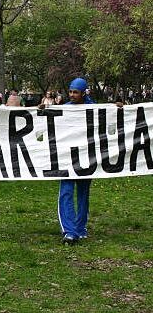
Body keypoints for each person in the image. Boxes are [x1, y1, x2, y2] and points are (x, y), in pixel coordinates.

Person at [57, 78, 122, 244]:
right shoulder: (64, 109)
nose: (72, 95)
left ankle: (80, 228)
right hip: (68, 159)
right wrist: (43, 109)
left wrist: (118, 109)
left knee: (83, 194)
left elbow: (110, 120)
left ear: (84, 93)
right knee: (66, 192)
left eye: (75, 92)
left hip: (88, 159)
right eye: (70, 91)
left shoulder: (94, 109)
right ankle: (69, 231)